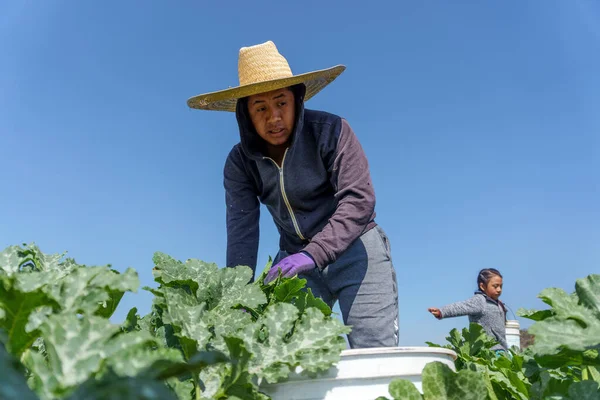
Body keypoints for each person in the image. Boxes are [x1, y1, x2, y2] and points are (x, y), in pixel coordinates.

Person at [186, 40, 399, 349]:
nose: (273, 117)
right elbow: (242, 233)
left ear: (297, 99)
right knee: (289, 356)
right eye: (260, 107)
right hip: (294, 262)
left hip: (356, 251)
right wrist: (239, 292)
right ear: (244, 113)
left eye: (281, 103)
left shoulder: (331, 130)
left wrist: (313, 254)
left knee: (374, 351)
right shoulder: (239, 163)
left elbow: (359, 201)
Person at [428, 268, 508, 351]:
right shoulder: (480, 300)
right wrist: (442, 311)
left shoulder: (499, 303)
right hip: (488, 350)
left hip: (502, 348)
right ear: (482, 286)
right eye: (495, 286)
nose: (499, 290)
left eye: (500, 286)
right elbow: (461, 306)